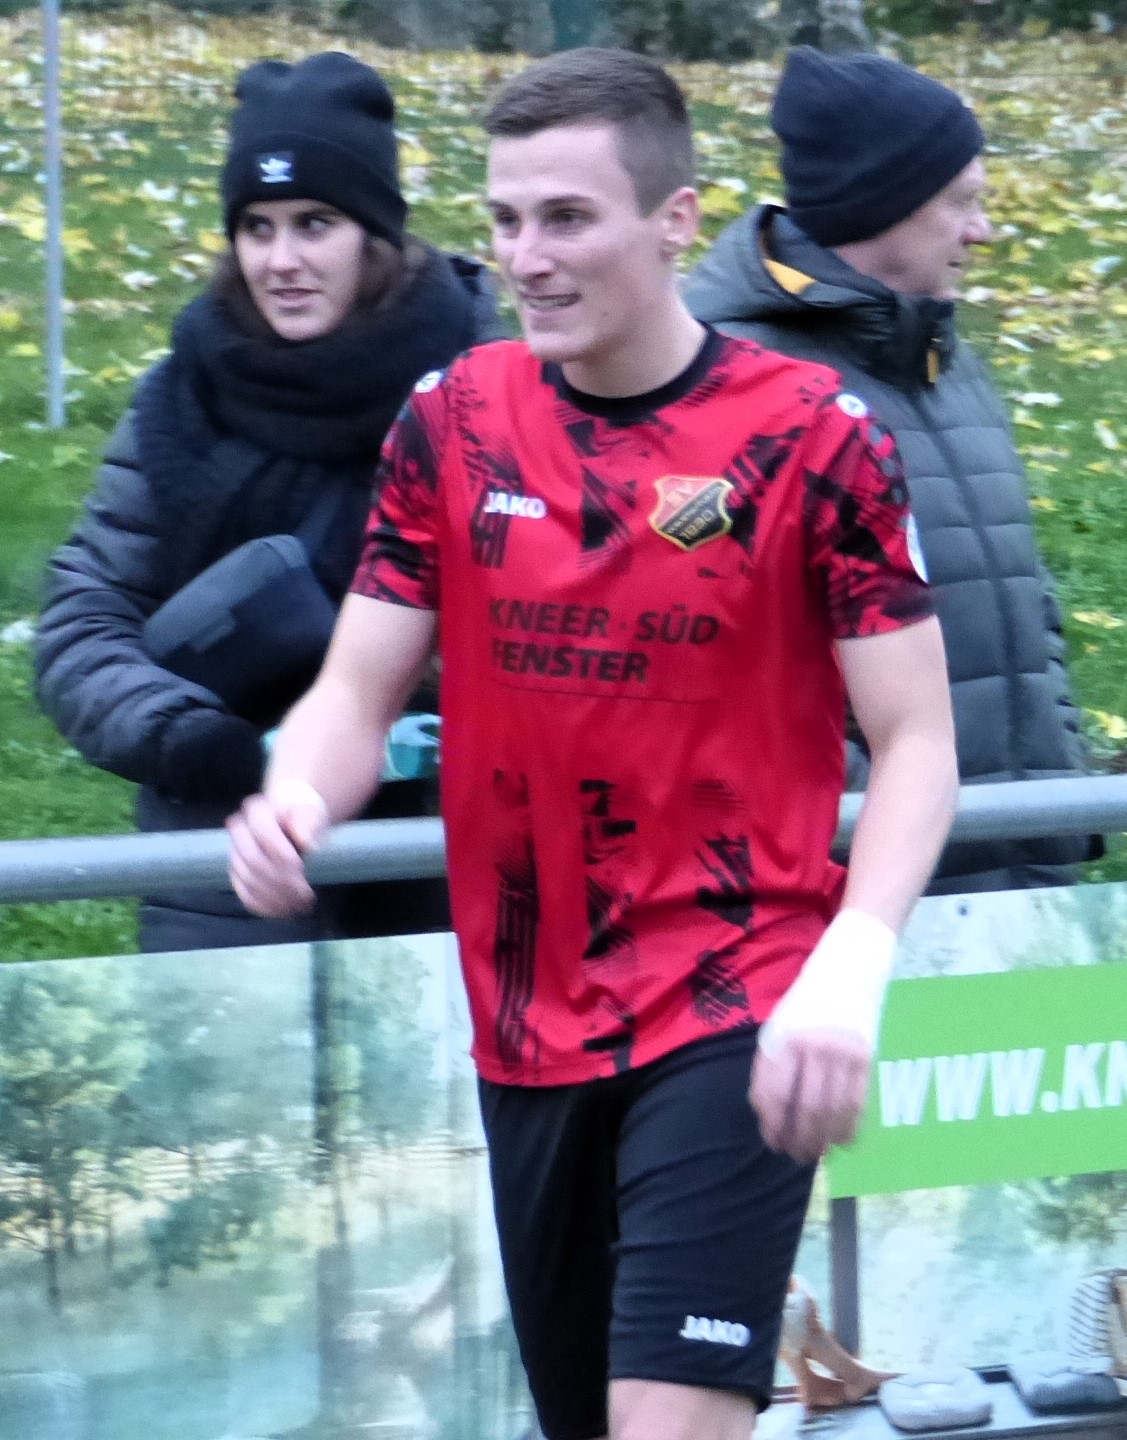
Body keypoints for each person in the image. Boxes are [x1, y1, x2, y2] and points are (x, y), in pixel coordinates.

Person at [227, 47, 958, 1440]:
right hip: (525, 1019)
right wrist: (295, 795)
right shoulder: (452, 421)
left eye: (566, 218)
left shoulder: (814, 437)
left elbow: (916, 738)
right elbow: (354, 692)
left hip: (734, 1002)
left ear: (674, 219)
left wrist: (851, 962)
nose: (526, 258)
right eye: (505, 220)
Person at [35, 51, 499, 952]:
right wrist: (196, 741)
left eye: (315, 223)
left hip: (447, 863)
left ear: (374, 235)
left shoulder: (487, 396)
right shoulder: (181, 400)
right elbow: (83, 621)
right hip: (226, 870)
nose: (281, 261)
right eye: (257, 227)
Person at [685, 46, 1098, 894]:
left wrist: (1055, 773)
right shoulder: (730, 385)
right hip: (866, 898)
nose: (982, 231)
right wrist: (880, 832)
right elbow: (717, 662)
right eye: (962, 203)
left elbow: (1025, 598)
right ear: (884, 206)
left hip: (1018, 873)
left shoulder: (945, 359)